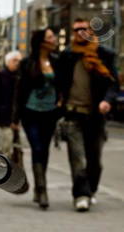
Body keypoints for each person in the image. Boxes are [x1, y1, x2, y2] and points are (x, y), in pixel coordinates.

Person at [58, 18, 118, 212]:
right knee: (77, 158)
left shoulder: (104, 55)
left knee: (95, 161)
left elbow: (113, 83)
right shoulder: (67, 55)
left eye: (83, 29)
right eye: (75, 30)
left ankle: (90, 190)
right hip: (73, 114)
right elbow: (58, 82)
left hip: (95, 116)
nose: (79, 33)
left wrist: (107, 101)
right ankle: (81, 195)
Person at [12, 28, 60, 210]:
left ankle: (39, 189)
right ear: (41, 42)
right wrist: (14, 119)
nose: (54, 39)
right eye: (50, 37)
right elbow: (19, 91)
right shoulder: (27, 63)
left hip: (50, 112)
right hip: (30, 113)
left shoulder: (57, 61)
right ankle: (43, 189)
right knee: (37, 147)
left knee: (44, 151)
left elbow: (63, 84)